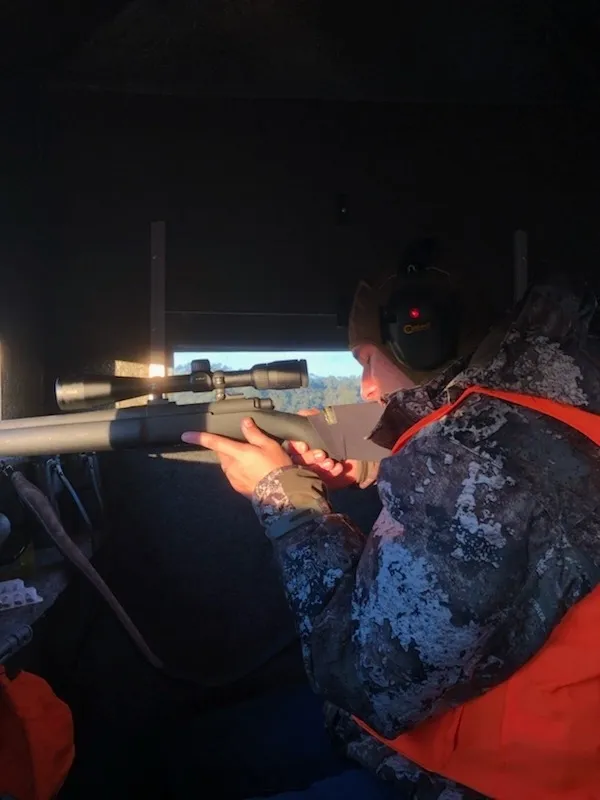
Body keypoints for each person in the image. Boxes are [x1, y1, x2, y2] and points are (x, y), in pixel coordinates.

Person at [180, 243, 600, 799]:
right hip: (475, 736)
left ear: (418, 343)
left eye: (366, 362)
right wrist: (385, 466)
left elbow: (364, 677)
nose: (366, 389)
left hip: (476, 778)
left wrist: (284, 500)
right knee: (205, 748)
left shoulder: (486, 471)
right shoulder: (545, 418)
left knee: (192, 760)